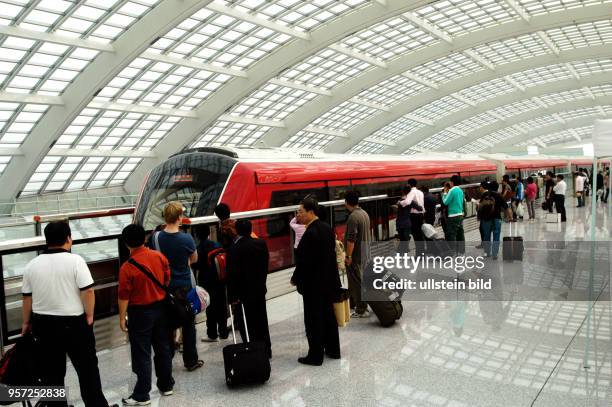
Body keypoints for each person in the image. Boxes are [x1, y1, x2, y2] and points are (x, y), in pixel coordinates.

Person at [21, 221, 116, 407]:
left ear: (46, 240)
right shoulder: (76, 261)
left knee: (52, 375)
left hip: (44, 326)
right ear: (68, 239)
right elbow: (88, 291)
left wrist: (26, 323)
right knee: (87, 371)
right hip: (75, 325)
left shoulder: (32, 265)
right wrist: (89, 315)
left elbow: (27, 299)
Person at [118, 224, 174, 405]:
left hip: (140, 313)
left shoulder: (127, 267)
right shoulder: (158, 256)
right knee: (163, 348)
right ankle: (166, 386)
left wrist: (121, 318)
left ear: (126, 244)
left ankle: (142, 394)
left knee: (142, 353)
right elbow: (167, 278)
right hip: (161, 308)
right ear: (145, 239)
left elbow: (124, 296)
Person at [149, 201, 203, 371]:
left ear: (165, 217)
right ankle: (190, 360)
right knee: (188, 324)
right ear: (180, 217)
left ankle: (167, 358)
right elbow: (194, 260)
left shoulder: (156, 238)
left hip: (164, 288)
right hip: (184, 288)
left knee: (166, 325)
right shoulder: (186, 238)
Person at [291, 197, 341, 366]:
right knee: (328, 316)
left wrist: (295, 279)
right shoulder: (327, 228)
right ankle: (333, 349)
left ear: (311, 212)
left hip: (313, 285)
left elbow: (304, 262)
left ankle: (315, 355)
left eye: (301, 211)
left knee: (313, 319)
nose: (299, 215)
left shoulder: (310, 233)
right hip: (327, 281)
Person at [227, 219, 271, 358]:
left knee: (247, 323)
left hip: (243, 294)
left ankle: (252, 350)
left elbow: (232, 274)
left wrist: (232, 296)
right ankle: (266, 349)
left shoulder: (234, 248)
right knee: (262, 320)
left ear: (237, 231)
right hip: (259, 289)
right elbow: (265, 265)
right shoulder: (260, 243)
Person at [193, 225, 228, 342]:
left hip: (207, 282)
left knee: (211, 308)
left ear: (197, 235)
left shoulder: (198, 249)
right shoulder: (217, 245)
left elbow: (195, 265)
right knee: (222, 305)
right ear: (208, 233)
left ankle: (212, 334)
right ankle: (223, 332)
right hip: (220, 280)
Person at [344, 190, 371, 318]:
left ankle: (361, 309)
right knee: (362, 280)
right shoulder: (364, 213)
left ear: (346, 202)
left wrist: (348, 256)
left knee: (356, 282)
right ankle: (360, 304)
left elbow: (351, 239)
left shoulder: (353, 217)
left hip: (356, 256)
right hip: (365, 253)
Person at [479, 181, 510, 259]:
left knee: (486, 236)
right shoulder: (499, 196)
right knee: (496, 236)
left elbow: (479, 206)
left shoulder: (485, 195)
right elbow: (507, 208)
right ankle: (495, 254)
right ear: (497, 188)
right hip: (497, 218)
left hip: (486, 219)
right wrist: (510, 217)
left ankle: (487, 252)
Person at [400, 178, 425, 256]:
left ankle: (419, 255)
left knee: (416, 236)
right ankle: (421, 254)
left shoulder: (411, 192)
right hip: (421, 215)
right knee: (420, 235)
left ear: (409, 185)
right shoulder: (420, 192)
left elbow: (407, 202)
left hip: (414, 216)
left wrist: (400, 202)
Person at [442, 175, 465, 254]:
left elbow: (445, 202)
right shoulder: (460, 190)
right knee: (460, 234)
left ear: (452, 182)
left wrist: (445, 192)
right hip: (460, 214)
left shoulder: (452, 190)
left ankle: (452, 252)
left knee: (451, 234)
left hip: (453, 216)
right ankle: (461, 251)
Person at [395, 185, 412, 254]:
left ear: (403, 191)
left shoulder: (400, 201)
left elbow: (397, 210)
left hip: (399, 223)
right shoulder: (410, 201)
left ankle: (401, 252)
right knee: (405, 239)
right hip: (406, 223)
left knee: (402, 239)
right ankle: (404, 252)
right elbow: (419, 208)